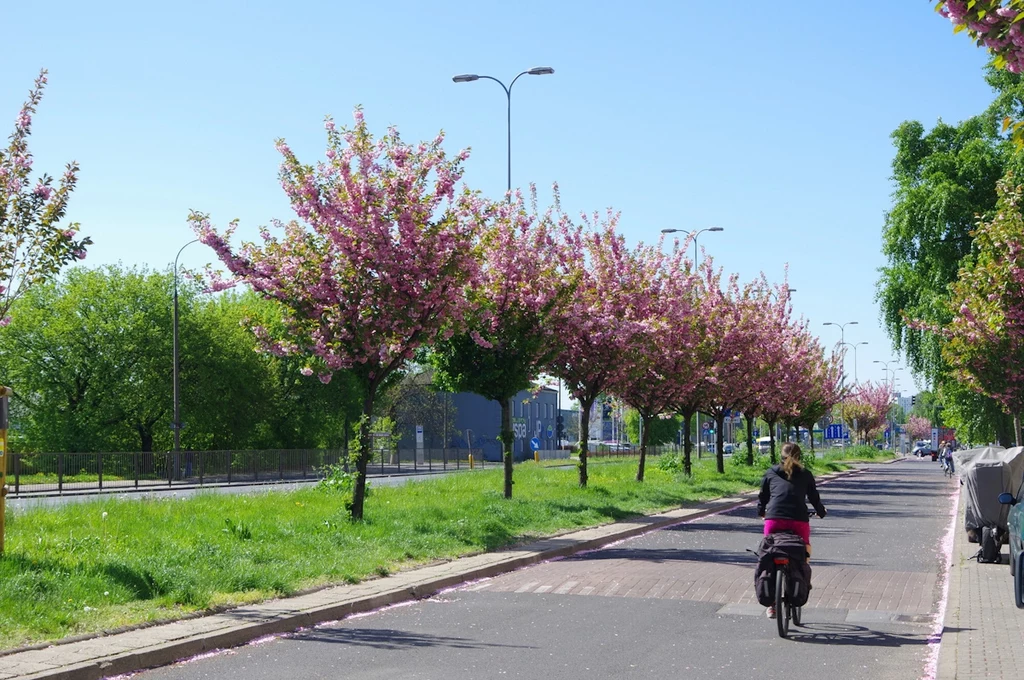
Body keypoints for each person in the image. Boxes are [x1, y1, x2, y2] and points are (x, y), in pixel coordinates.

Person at [756, 442, 827, 619]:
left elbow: (763, 496)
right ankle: (802, 575)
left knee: (770, 553)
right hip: (798, 520)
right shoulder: (806, 474)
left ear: (781, 455)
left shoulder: (771, 472)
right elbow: (814, 497)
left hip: (774, 519)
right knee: (804, 550)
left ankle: (772, 605)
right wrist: (820, 511)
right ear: (799, 457)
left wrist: (761, 512)